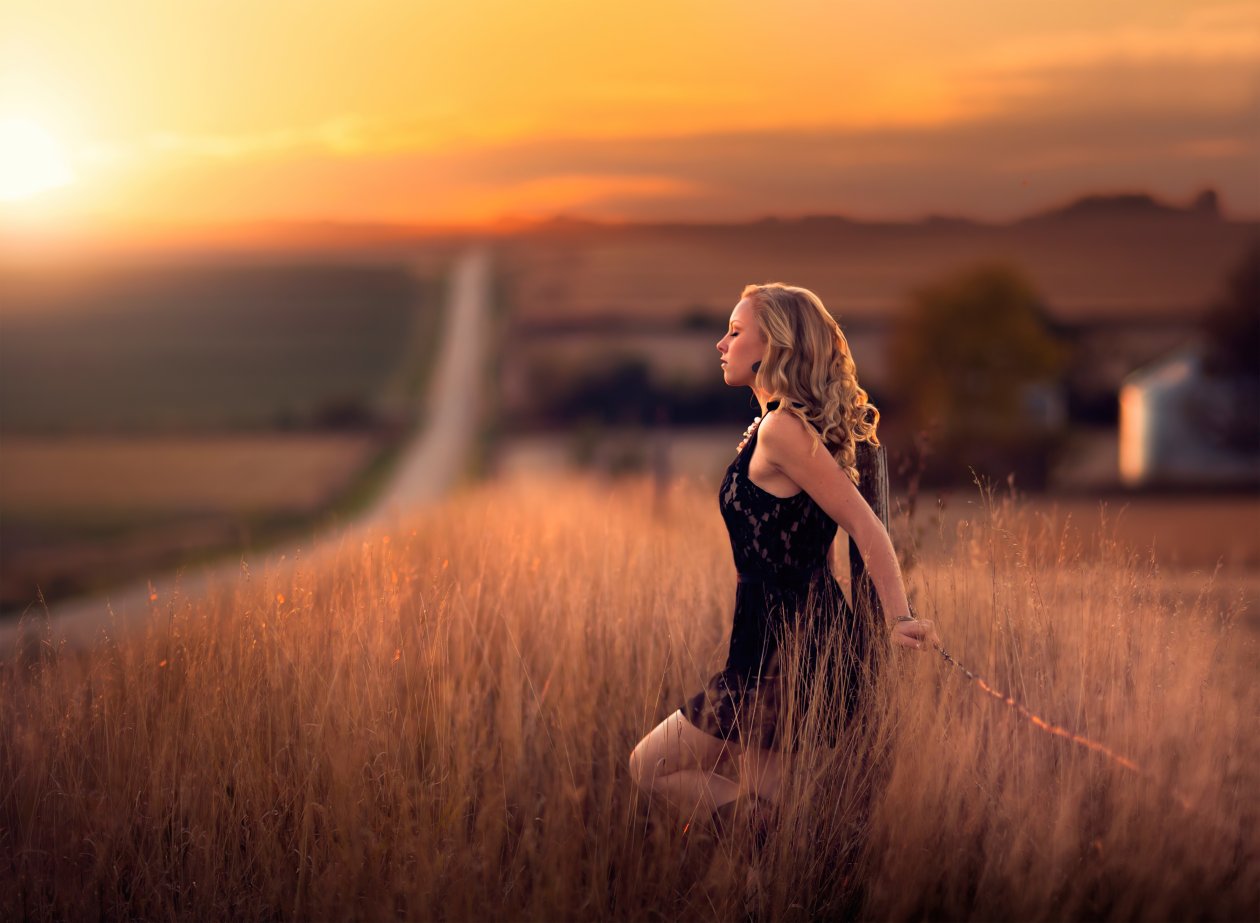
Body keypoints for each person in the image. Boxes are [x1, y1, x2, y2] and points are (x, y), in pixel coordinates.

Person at [627, 282, 938, 840]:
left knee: (647, 766)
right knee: (763, 803)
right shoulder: (776, 426)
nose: (721, 344)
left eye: (736, 331)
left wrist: (898, 618)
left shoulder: (781, 431)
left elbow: (866, 526)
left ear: (773, 346)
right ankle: (773, 866)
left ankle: (770, 841)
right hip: (779, 642)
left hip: (787, 648)